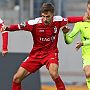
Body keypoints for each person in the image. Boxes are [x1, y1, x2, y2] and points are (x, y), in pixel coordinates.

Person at [1, 3, 88, 90]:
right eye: (43, 16)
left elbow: (70, 19)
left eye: (48, 16)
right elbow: (19, 26)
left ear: (53, 15)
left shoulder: (58, 20)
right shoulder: (34, 23)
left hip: (51, 53)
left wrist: (83, 18)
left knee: (54, 73)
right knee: (16, 78)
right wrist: (7, 28)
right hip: (36, 55)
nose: (45, 19)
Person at [62, 0, 90, 89]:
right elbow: (69, 41)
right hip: (87, 56)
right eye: (89, 9)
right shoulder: (80, 24)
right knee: (88, 73)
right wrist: (65, 34)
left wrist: (83, 43)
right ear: (87, 8)